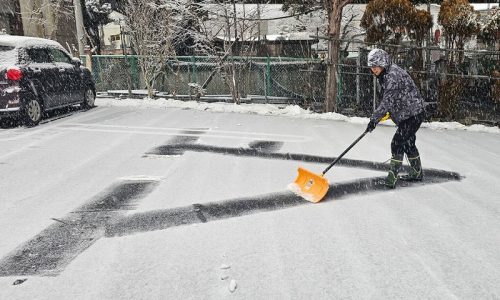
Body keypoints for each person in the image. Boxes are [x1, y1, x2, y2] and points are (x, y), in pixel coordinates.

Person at [365, 48, 425, 188]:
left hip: (412, 114)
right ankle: (417, 172)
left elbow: (387, 101)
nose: (373, 69)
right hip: (409, 113)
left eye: (376, 66)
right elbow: (394, 99)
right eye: (371, 67)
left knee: (397, 142)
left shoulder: (392, 76)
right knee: (408, 142)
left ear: (383, 63)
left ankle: (392, 178)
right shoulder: (388, 73)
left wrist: (374, 119)